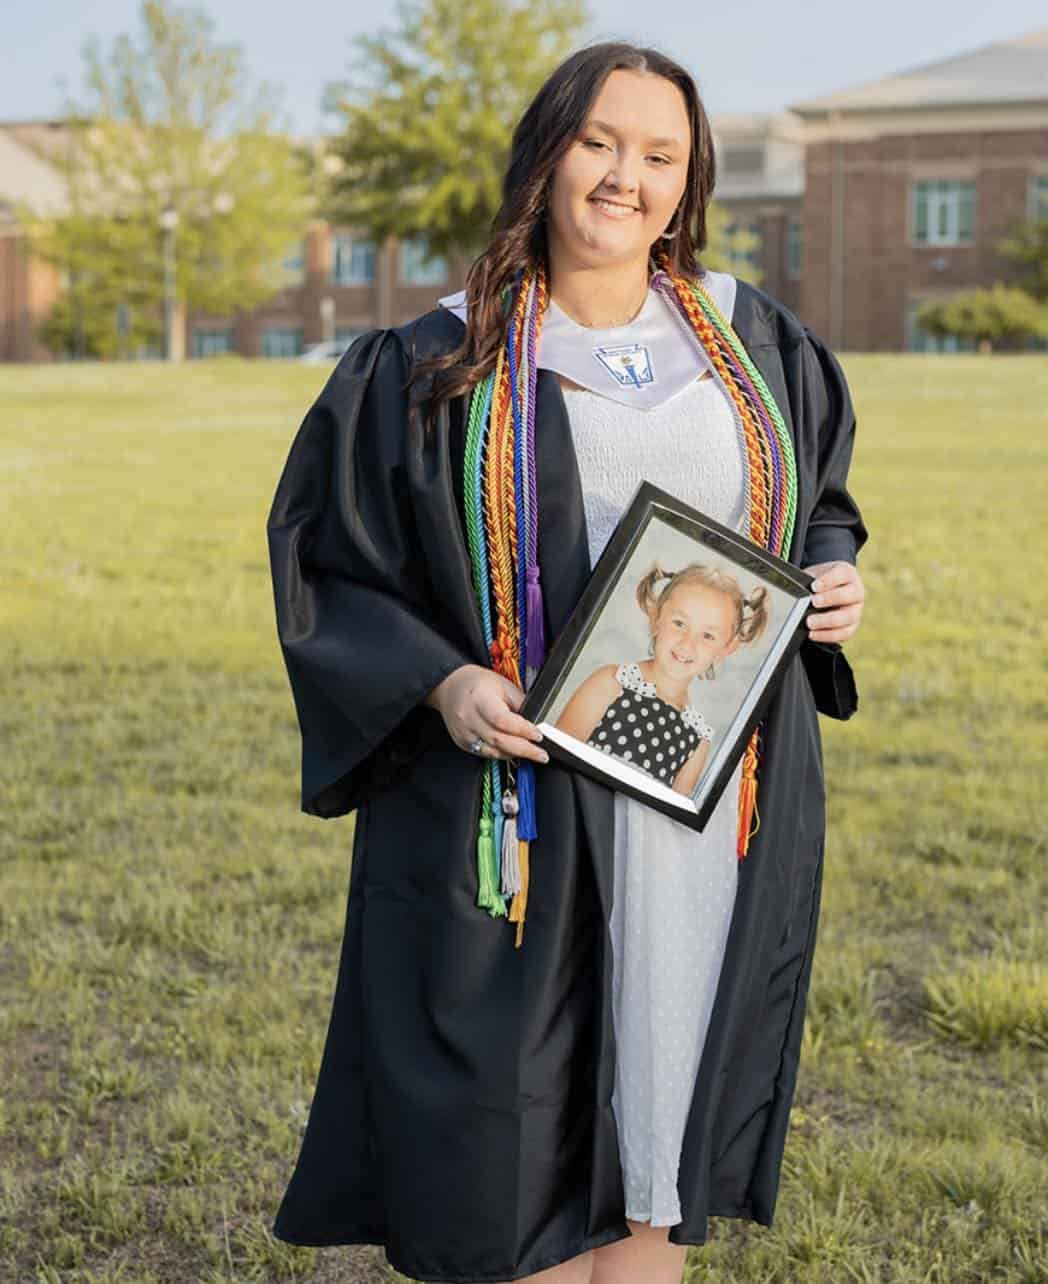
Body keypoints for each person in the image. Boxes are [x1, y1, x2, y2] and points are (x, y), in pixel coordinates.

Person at [266, 39, 867, 1284]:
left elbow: (815, 504)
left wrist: (836, 572)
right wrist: (443, 682)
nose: (624, 178)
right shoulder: (438, 361)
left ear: (688, 180)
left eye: (660, 155)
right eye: (600, 142)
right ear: (546, 154)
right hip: (521, 802)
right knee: (518, 1152)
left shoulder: (752, 343)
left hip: (708, 801)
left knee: (660, 1134)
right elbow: (336, 563)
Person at [555, 562, 769, 797]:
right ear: (656, 618)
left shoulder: (697, 737)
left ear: (724, 649)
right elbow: (556, 757)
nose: (688, 643)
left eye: (708, 636)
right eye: (679, 624)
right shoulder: (611, 683)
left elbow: (670, 821)